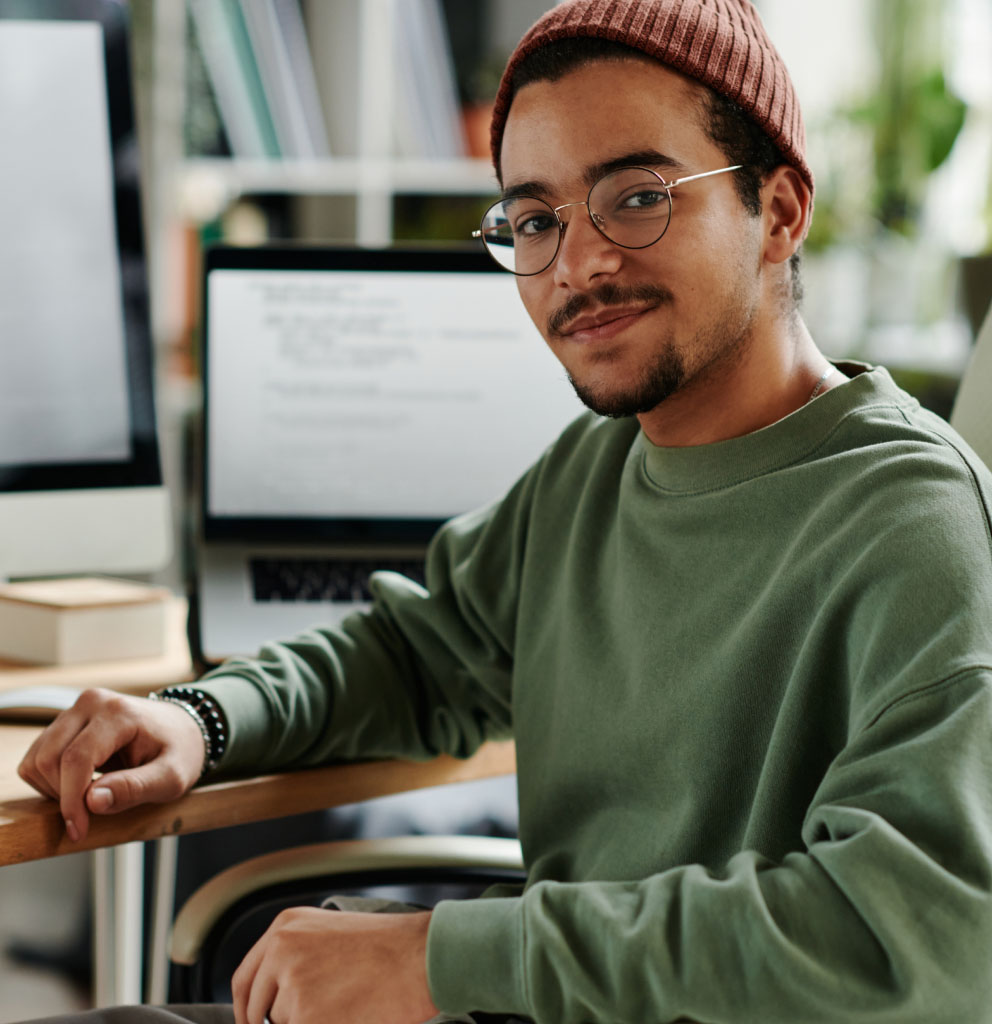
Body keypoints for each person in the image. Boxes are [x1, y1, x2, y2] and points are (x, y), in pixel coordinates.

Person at [16, 0, 992, 1021]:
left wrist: (448, 953)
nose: (578, 263)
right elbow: (413, 653)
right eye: (534, 221)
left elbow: (920, 939)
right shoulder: (597, 467)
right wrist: (200, 718)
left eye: (636, 197)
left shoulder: (913, 527)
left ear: (779, 209)